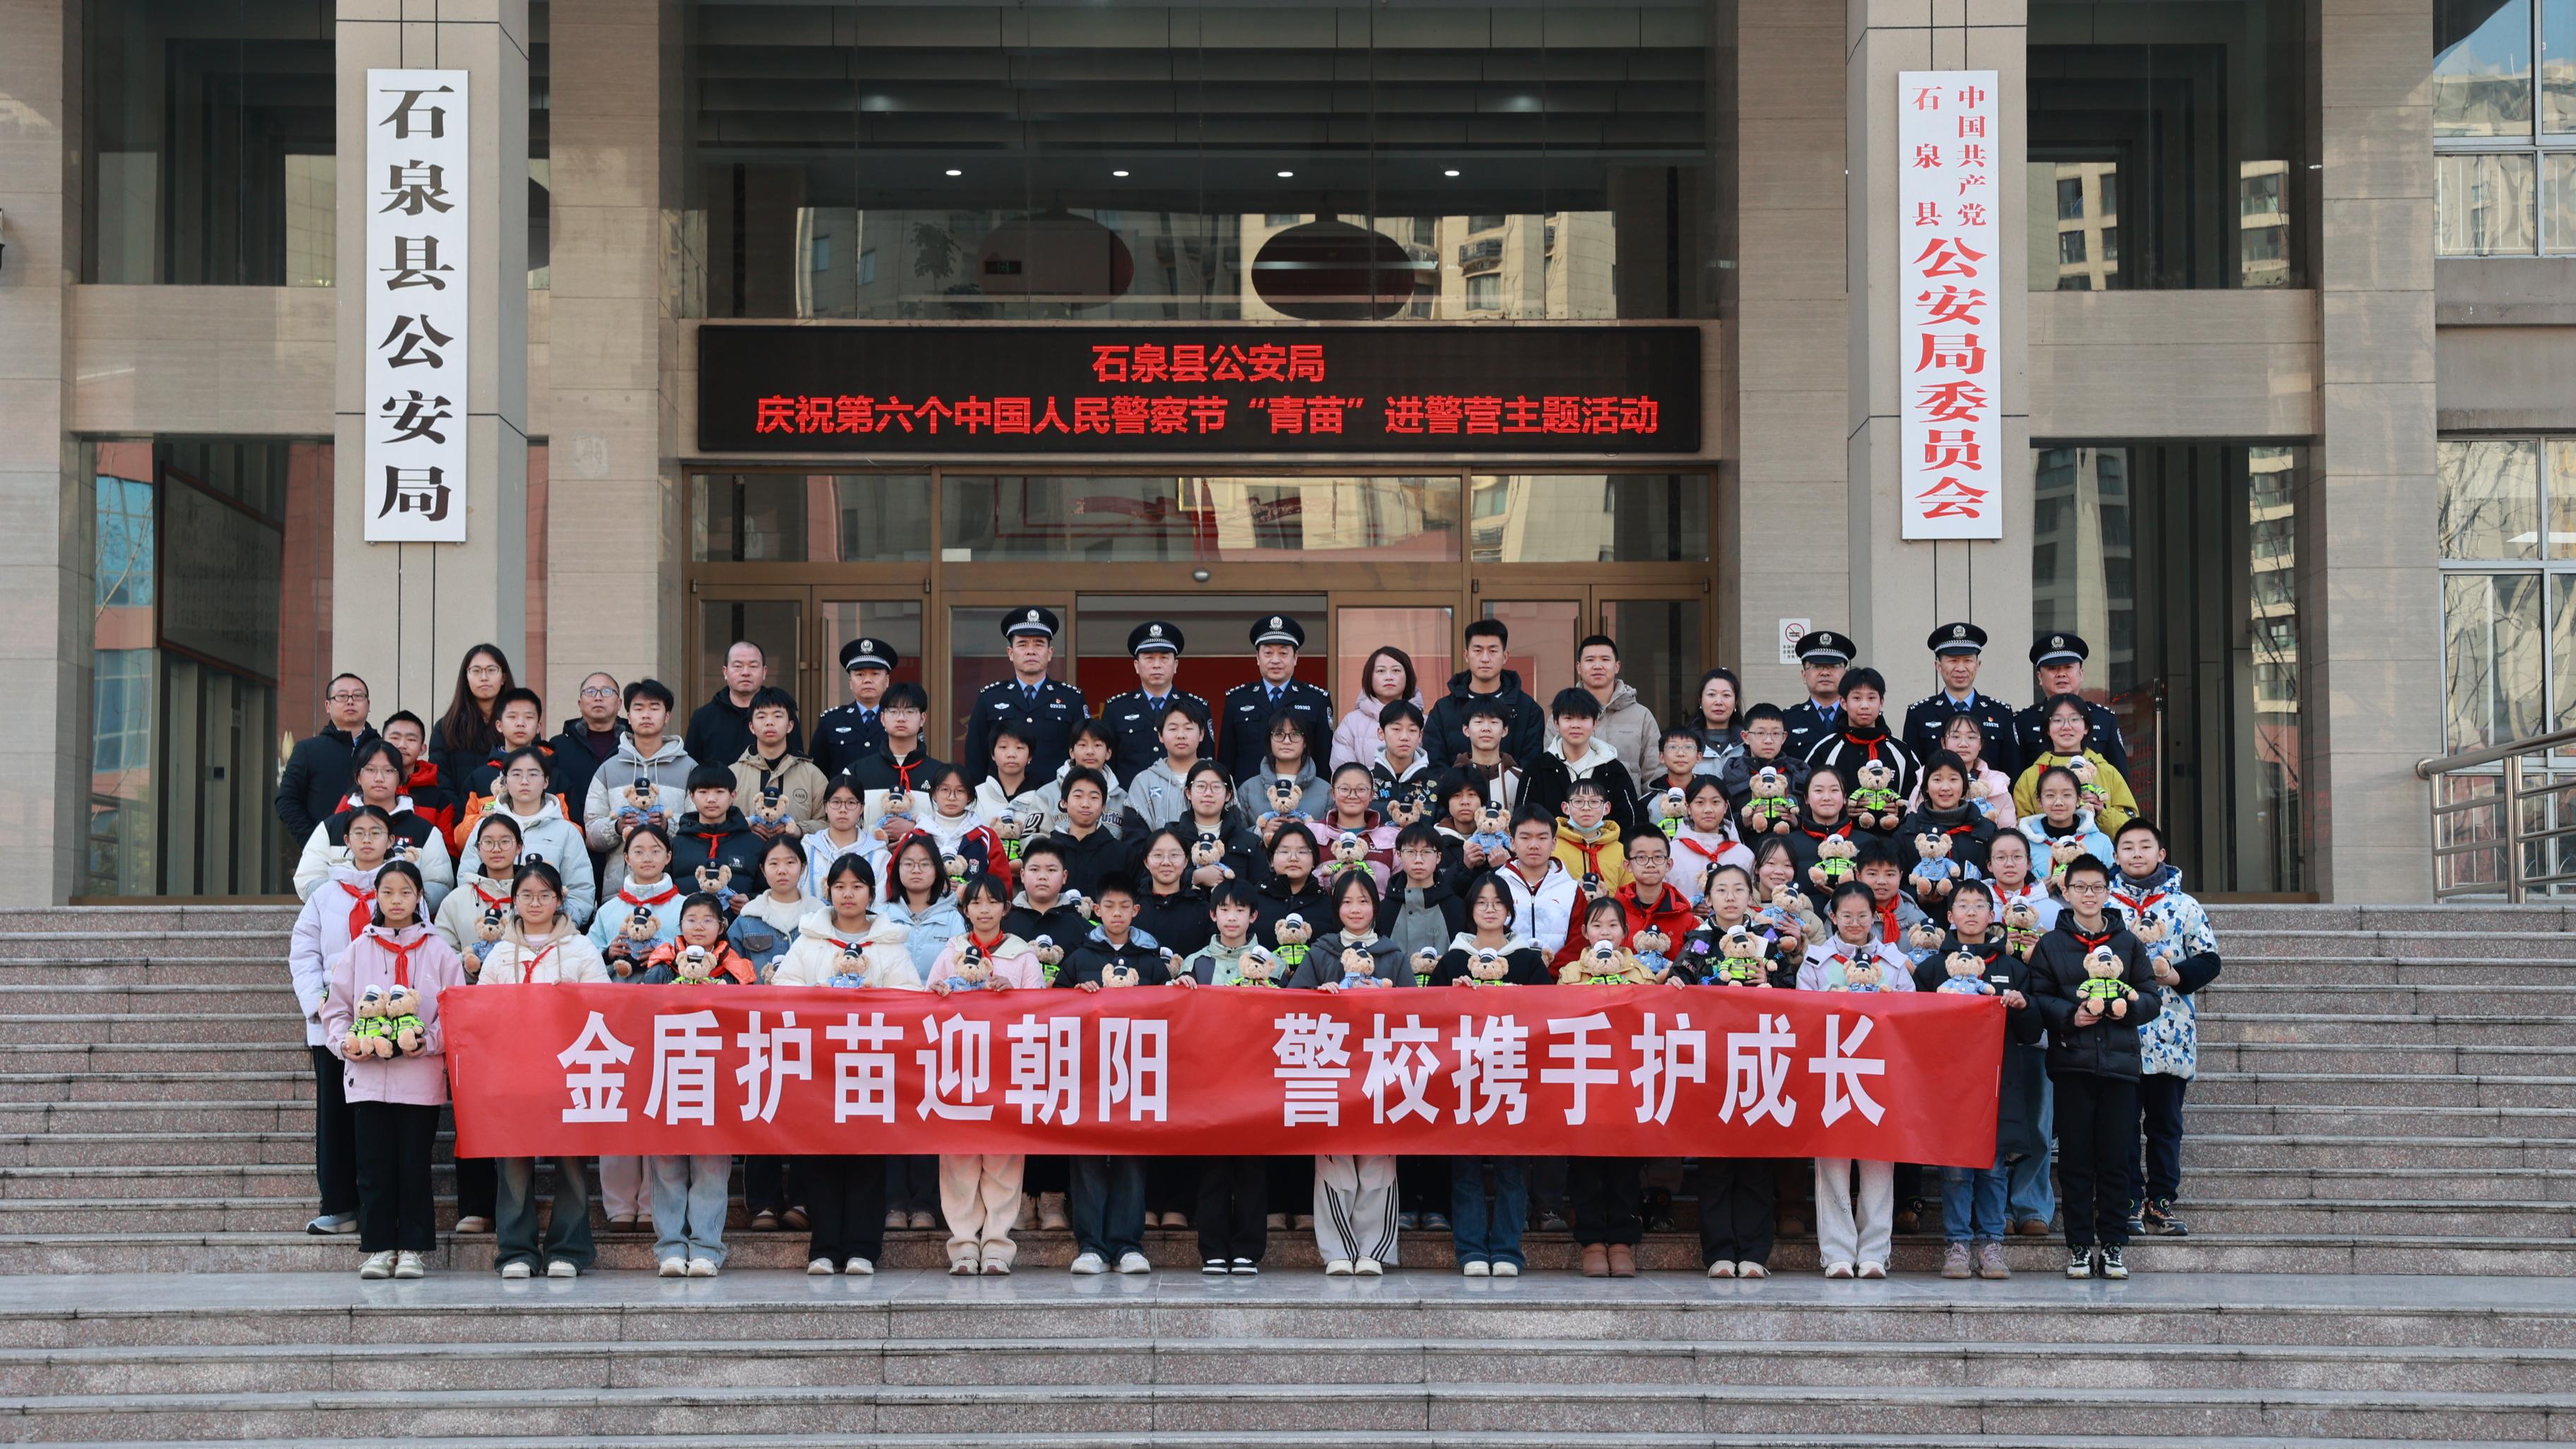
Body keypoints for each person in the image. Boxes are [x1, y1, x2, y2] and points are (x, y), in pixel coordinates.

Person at [773, 853, 922, 1275]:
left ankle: (862, 1249)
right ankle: (824, 1249)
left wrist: (872, 996)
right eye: (840, 886)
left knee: (867, 1160)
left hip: (872, 1067)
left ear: (871, 893)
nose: (848, 894)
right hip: (820, 1067)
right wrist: (822, 994)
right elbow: (784, 990)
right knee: (821, 1159)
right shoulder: (810, 940)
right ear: (828, 891)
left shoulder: (889, 943)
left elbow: (911, 997)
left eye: (857, 886)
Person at [318, 857, 463, 1280]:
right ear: (376, 898)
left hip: (419, 1078)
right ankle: (379, 1248)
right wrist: (346, 1044)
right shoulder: (357, 950)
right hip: (367, 1079)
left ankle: (413, 1249)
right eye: (387, 892)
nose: (396, 900)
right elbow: (337, 1009)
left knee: (414, 1166)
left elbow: (455, 1012)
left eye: (406, 892)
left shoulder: (439, 951)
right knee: (374, 1166)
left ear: (420, 897)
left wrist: (428, 1042)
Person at [2027, 853, 2163, 1280]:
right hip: (2072, 1064)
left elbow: (2151, 997)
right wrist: (2071, 1016)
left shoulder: (2128, 943)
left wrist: (2127, 1010)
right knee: (2076, 1161)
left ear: (2108, 892)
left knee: (2116, 1159)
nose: (2089, 895)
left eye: (2097, 888)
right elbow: (2039, 997)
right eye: (2080, 887)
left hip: (2121, 1067)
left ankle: (2115, 1245)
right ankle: (2080, 1247)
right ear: (2066, 892)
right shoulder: (2051, 944)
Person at [472, 859, 611, 1278]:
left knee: (571, 1163)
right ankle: (516, 1251)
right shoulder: (499, 953)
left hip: (569, 1072)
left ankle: (568, 1249)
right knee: (513, 1163)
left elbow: (604, 1004)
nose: (535, 903)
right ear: (514, 900)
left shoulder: (581, 948)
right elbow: (481, 1012)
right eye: (527, 896)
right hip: (512, 1073)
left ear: (559, 899)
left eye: (545, 895)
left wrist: (570, 1001)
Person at [1428, 873, 1551, 1275]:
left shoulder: (1528, 960)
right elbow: (1430, 1018)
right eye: (1481, 902)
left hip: (1515, 1076)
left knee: (1512, 1169)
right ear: (1470, 910)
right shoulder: (1452, 960)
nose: (1490, 909)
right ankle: (1471, 1251)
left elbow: (1550, 1014)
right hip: (1463, 1078)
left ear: (1510, 910)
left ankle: (1508, 1251)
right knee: (1465, 1168)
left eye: (1498, 902)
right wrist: (1455, 995)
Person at [2109, 818, 2222, 1239]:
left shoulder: (2186, 905)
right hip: (2118, 1031)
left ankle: (2161, 1201)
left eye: (2145, 846)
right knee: (2121, 1124)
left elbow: (2209, 960)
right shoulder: (2104, 903)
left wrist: (2175, 976)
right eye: (2128, 847)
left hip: (2170, 1032)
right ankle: (2129, 1200)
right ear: (2116, 856)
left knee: (2165, 1124)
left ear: (2161, 854)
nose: (2136, 854)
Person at [287, 803, 396, 1238]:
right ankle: (339, 1205)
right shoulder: (324, 896)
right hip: (331, 1021)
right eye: (359, 833)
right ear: (346, 841)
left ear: (390, 840)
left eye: (376, 832)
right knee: (333, 1115)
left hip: (386, 1022)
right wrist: (318, 1002)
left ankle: (381, 1207)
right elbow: (304, 953)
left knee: (381, 1117)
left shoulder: (402, 889)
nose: (368, 840)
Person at [1799, 881, 1916, 1278]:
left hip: (1881, 1075)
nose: (1854, 923)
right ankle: (1836, 1252)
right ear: (1832, 916)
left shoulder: (1895, 962)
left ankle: (1874, 1253)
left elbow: (1911, 1016)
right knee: (1832, 1166)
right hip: (1831, 1071)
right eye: (1846, 916)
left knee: (1880, 1164)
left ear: (1875, 916)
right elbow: (1802, 1015)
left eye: (1862, 916)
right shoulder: (1816, 961)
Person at [926, 872, 1040, 1275]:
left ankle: (997, 1247)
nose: (984, 909)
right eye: (976, 902)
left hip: (1007, 1070)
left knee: (1004, 1160)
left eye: (993, 902)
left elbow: (1042, 1013)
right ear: (965, 909)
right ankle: (962, 1247)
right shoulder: (951, 951)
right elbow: (927, 1004)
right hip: (959, 1069)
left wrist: (1014, 994)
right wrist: (939, 994)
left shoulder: (1023, 955)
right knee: (957, 1159)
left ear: (1006, 908)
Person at [1926, 878, 2039, 1280]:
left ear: (1993, 916)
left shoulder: (2011, 968)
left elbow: (2032, 1033)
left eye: (1979, 905)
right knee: (1956, 1170)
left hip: (1997, 1085)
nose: (1971, 912)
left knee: (1993, 1169)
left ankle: (1992, 1244)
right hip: (1949, 1087)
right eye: (1963, 905)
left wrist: (2023, 1006)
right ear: (1950, 915)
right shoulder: (1933, 968)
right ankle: (1957, 1244)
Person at [1688, 864, 1798, 1279]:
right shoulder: (1699, 940)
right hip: (1712, 1063)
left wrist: (1768, 980)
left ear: (1751, 896)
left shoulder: (1765, 938)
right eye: (1722, 890)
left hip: (1759, 1060)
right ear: (1709, 898)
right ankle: (1719, 1252)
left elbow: (1792, 988)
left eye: (1738, 889)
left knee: (1755, 1163)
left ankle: (1754, 1253)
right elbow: (1679, 982)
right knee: (1715, 1164)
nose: (1730, 897)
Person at [1060, 873, 1168, 1276]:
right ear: (1096, 910)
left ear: (1136, 911)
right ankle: (1091, 1245)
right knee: (1086, 1158)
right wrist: (1076, 996)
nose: (1117, 914)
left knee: (1131, 1158)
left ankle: (1127, 1246)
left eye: (1125, 907)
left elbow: (1170, 1012)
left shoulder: (1151, 960)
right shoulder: (1078, 958)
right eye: (1109, 906)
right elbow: (1051, 1009)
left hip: (1137, 1073)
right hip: (1086, 1074)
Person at [1181, 880, 1280, 1275]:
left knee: (1252, 1167)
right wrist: (1180, 990)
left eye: (1240, 910)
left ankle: (1247, 1250)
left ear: (1254, 916)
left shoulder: (1273, 964)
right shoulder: (1195, 963)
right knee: (1214, 1168)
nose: (1232, 917)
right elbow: (1180, 1017)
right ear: (1213, 915)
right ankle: (1213, 1250)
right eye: (1224, 910)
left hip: (1257, 1078)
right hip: (1210, 1080)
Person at [293, 738, 455, 913]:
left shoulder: (425, 831)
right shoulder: (331, 827)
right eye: (370, 770)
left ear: (401, 779)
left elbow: (440, 884)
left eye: (389, 770)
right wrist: (351, 902)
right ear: (358, 777)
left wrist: (399, 905)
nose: (379, 778)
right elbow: (307, 880)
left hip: (403, 925)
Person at [580, 679, 697, 894]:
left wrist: (668, 825)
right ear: (628, 716)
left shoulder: (689, 768)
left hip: (675, 890)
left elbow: (701, 824)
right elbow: (591, 834)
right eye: (639, 708)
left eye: (654, 708)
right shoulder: (609, 769)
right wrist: (617, 827)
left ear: (667, 716)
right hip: (619, 891)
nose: (646, 715)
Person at [962, 607, 1087, 783]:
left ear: (1050, 653)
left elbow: (1083, 754)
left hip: (1055, 795)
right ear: (1010, 653)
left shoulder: (1072, 699)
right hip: (1002, 796)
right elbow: (976, 756)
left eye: (1039, 644)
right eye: (1022, 644)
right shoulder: (989, 698)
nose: (1031, 651)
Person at [481, 746, 596, 926]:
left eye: (533, 774)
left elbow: (580, 891)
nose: (524, 781)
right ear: (505, 781)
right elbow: (468, 879)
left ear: (546, 782)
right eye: (516, 774)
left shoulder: (566, 832)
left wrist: (559, 926)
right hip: (493, 928)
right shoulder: (486, 826)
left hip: (549, 933)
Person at [1217, 614, 1334, 782]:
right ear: (1258, 658)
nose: (1275, 660)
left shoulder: (1317, 700)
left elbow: (1324, 760)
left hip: (1302, 792)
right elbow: (1226, 761)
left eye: (1283, 653)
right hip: (1248, 793)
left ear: (1296, 658)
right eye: (1268, 653)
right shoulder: (1237, 700)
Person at [1902, 623, 2019, 778]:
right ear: (1938, 666)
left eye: (1968, 660)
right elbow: (1912, 774)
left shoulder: (2001, 713)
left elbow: (2012, 771)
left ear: (1978, 665)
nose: (1961, 668)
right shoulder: (1919, 714)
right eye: (1953, 661)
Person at [1424, 617, 1546, 765]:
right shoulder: (1443, 710)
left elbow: (1531, 767)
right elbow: (1435, 765)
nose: (1485, 659)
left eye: (1493, 651)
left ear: (1505, 656)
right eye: (1478, 651)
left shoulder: (1529, 710)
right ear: (1466, 655)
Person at [1098, 619, 1208, 783]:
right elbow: (1107, 765)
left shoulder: (1197, 707)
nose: (1157, 665)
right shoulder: (1116, 709)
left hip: (1183, 795)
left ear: (1176, 665)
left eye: (1164, 658)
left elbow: (1207, 761)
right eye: (1149, 658)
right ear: (1136, 666)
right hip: (1130, 796)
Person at [2015, 693, 2140, 836]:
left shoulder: (2107, 771)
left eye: (2074, 719)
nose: (2066, 727)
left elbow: (2132, 828)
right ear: (2047, 729)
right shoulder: (2030, 776)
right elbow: (2022, 829)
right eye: (2057, 720)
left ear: (2086, 727)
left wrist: (2102, 812)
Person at [276, 673, 380, 845]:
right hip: (324, 850)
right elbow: (287, 801)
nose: (350, 701)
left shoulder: (383, 750)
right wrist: (315, 843)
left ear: (368, 705)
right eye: (342, 696)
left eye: (358, 696)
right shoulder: (308, 750)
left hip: (376, 849)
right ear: (327, 706)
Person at [1529, 687, 1642, 836]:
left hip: (1606, 850)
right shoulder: (1538, 769)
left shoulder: (1614, 769)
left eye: (1584, 718)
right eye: (1568, 718)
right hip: (1553, 850)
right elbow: (1526, 819)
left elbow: (1630, 822)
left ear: (1595, 723)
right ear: (1556, 723)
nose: (1576, 725)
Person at [1803, 665, 1920, 809]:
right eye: (1857, 698)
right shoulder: (1826, 749)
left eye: (1871, 698)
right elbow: (1806, 796)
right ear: (1843, 703)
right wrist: (1841, 811)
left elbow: (1919, 797)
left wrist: (1901, 810)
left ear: (1881, 702)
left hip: (1894, 825)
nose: (1865, 705)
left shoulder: (1901, 751)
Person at [685, 640, 805, 775]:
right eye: (738, 666)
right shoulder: (703, 717)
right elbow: (692, 770)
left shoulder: (783, 714)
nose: (745, 672)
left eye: (753, 666)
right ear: (725, 672)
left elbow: (797, 766)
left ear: (764, 672)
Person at [2015, 632, 2130, 772]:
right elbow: (2015, 778)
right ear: (2040, 677)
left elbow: (2119, 775)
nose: (2061, 674)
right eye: (2052, 669)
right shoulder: (2023, 722)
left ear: (2081, 673)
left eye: (2068, 667)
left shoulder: (2104, 719)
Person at [1557, 633, 1662, 784]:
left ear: (1617, 666)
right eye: (1590, 660)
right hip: (1574, 799)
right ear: (1579, 667)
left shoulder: (1642, 716)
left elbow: (1654, 774)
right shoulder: (1562, 714)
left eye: (1605, 660)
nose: (1597, 666)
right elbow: (1550, 768)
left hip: (1627, 799)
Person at [730, 686, 831, 840]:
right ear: (751, 727)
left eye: (777, 716)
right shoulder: (733, 774)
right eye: (761, 717)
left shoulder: (812, 776)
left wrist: (800, 830)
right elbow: (717, 820)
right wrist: (744, 828)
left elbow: (830, 823)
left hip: (796, 854)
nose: (769, 722)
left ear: (790, 725)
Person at [590, 824, 685, 979]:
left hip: (670, 993)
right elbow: (586, 958)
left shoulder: (685, 908)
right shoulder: (607, 911)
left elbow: (701, 956)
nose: (647, 859)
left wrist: (666, 955)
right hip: (619, 992)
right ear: (627, 858)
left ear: (668, 857)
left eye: (655, 851)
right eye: (638, 852)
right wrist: (607, 954)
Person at [1895, 749, 2000, 880]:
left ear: (1964, 785)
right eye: (1937, 779)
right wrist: (1922, 892)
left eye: (1953, 779)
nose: (1945, 787)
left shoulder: (1986, 830)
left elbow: (1997, 880)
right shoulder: (1908, 830)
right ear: (1926, 786)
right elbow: (1897, 882)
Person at [667, 765, 767, 898]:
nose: (711, 799)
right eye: (703, 792)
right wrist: (680, 903)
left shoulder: (754, 845)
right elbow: (662, 891)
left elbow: (770, 893)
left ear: (732, 796)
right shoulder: (675, 845)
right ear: (692, 796)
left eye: (719, 792)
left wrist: (751, 901)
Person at [811, 636, 900, 781]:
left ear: (887, 681)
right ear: (850, 682)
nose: (867, 680)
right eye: (860, 674)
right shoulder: (831, 722)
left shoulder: (901, 719)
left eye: (875, 674)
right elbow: (817, 774)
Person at [1494, 807, 1578, 958]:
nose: (1534, 845)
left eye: (1542, 838)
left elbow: (1578, 943)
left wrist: (1552, 970)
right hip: (1507, 971)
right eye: (1525, 838)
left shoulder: (1571, 890)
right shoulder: (1495, 886)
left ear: (1554, 843)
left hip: (1560, 972)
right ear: (1512, 843)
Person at [1119, 701, 1213, 835]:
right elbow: (1135, 838)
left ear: (1202, 734)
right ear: (1160, 735)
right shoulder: (1144, 782)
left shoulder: (1218, 778)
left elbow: (1232, 828)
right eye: (1173, 729)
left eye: (1188, 728)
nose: (1181, 735)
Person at [842, 681, 945, 802]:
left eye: (910, 711)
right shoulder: (856, 772)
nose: (901, 718)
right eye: (893, 711)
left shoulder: (942, 774)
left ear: (922, 719)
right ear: (882, 718)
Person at [429, 644, 514, 789]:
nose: (484, 678)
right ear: (466, 678)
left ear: (503, 678)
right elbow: (440, 779)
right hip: (460, 804)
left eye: (491, 670)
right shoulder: (446, 727)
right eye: (476, 671)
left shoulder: (520, 724)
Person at [548, 672, 626, 826]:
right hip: (572, 831)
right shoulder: (559, 745)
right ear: (580, 703)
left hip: (624, 830)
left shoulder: (633, 744)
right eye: (590, 692)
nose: (598, 697)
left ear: (619, 703)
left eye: (607, 691)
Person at [1919, 710, 2017, 830]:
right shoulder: (1925, 779)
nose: (1963, 744)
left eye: (1971, 737)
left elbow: (2008, 835)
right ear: (1943, 742)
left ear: (1981, 744)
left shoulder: (1998, 785)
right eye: (1956, 736)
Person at [1332, 645, 1426, 770]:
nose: (1389, 677)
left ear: (1408, 676)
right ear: (1369, 677)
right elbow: (1344, 773)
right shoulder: (1351, 723)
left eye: (1396, 670)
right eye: (1381, 671)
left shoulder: (1426, 722)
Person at [1238, 710, 1330, 836]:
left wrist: (1308, 831)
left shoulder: (1326, 791)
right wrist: (1260, 831)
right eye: (1279, 734)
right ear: (1270, 741)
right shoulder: (1248, 789)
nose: (1287, 741)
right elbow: (1236, 837)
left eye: (1295, 734)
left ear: (1305, 742)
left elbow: (1334, 837)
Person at [2017, 765, 2117, 881]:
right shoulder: (2025, 844)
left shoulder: (2102, 842)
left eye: (2067, 795)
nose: (2059, 802)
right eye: (2050, 795)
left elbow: (2112, 885)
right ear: (2039, 801)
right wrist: (2040, 890)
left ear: (2078, 800)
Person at [1666, 776, 1753, 905]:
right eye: (1700, 802)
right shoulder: (1670, 854)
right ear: (1688, 807)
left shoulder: (1744, 855)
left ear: (1725, 807)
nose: (1708, 810)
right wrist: (1686, 909)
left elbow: (1752, 903)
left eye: (1715, 802)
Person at [379, 711, 458, 845]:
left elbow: (448, 849)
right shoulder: (364, 790)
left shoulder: (438, 798)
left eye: (411, 739)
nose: (402, 745)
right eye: (395, 738)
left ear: (423, 749)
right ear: (382, 743)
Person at [1718, 703, 1812, 813]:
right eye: (1761, 733)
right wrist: (1743, 821)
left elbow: (1811, 815)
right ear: (1746, 737)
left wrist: (1796, 821)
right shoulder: (1732, 775)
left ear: (1784, 737)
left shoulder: (1798, 775)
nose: (1768, 741)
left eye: (1776, 733)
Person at [799, 780, 881, 905]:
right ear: (826, 806)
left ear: (861, 808)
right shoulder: (807, 849)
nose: (843, 809)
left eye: (851, 803)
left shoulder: (879, 855)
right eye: (836, 802)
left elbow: (880, 904)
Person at [1779, 629, 1855, 760]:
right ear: (1804, 675)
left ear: (1845, 674)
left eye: (1834, 666)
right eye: (1817, 666)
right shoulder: (1787, 720)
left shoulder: (1858, 716)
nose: (1825, 673)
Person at [1686, 667, 1745, 780]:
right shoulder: (1685, 744)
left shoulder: (1748, 744)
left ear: (1736, 702)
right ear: (1700, 701)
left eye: (1726, 695)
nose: (1718, 702)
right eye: (1711, 695)